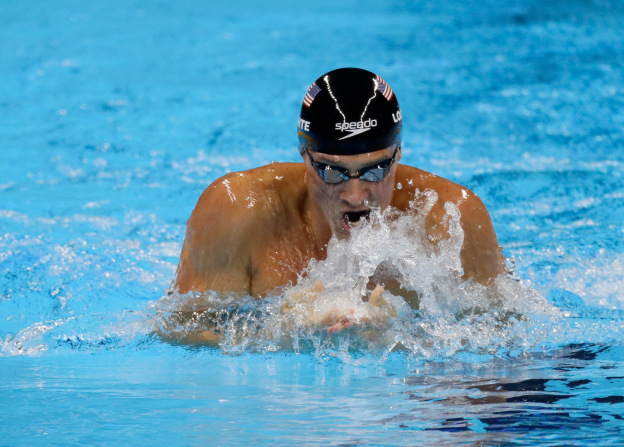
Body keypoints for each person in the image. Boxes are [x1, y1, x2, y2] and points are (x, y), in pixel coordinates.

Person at [170, 67, 504, 336]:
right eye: (333, 172)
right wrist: (284, 332)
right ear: (305, 158)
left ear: (398, 156)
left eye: (375, 172)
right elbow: (177, 330)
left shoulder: (449, 218)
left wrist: (401, 335)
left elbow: (508, 333)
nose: (355, 195)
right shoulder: (237, 210)